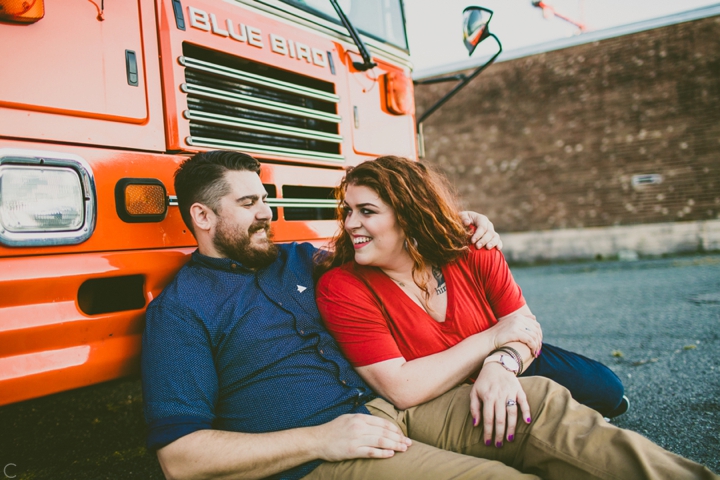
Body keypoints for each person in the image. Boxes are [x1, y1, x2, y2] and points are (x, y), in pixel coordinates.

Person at [141, 150, 718, 480]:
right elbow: (180, 458)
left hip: (388, 410)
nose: (269, 213)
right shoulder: (182, 310)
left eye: (265, 199)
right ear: (203, 216)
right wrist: (318, 438)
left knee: (541, 402)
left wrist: (446, 219)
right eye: (249, 204)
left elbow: (380, 235)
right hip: (320, 452)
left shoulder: (297, 259)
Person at [315, 156, 626, 448]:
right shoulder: (343, 287)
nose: (350, 223)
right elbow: (402, 388)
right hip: (443, 395)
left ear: (408, 215)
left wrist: (500, 365)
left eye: (366, 211)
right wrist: (491, 338)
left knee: (608, 390)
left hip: (509, 362)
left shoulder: (473, 247)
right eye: (348, 211)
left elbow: (524, 326)